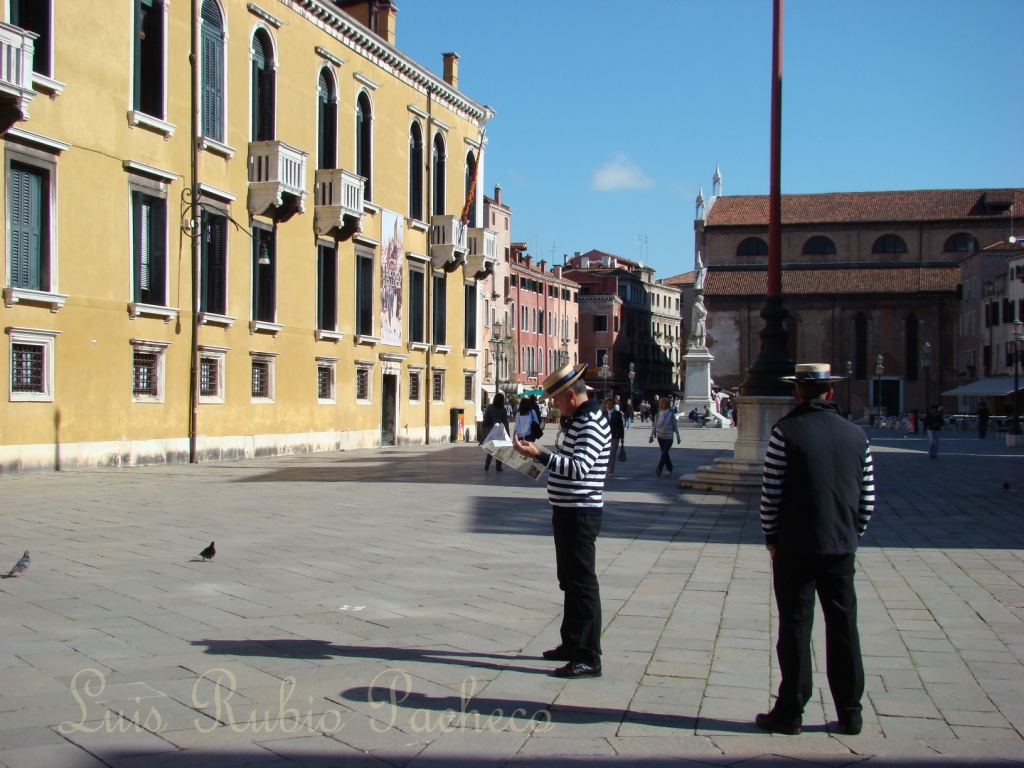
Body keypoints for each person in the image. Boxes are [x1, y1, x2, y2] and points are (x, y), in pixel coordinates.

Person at [758, 363, 875, 737]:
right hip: (840, 547)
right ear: (829, 393)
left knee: (794, 627)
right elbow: (867, 499)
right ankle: (851, 713)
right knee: (844, 628)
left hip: (794, 546)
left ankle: (791, 711)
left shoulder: (785, 432)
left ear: (797, 393)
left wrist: (771, 540)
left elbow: (771, 496)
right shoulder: (857, 436)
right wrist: (850, 535)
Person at [511, 363, 610, 679]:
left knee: (582, 584)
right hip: (567, 510)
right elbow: (567, 461)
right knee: (569, 581)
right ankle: (571, 644)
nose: (553, 405)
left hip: (581, 513)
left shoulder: (591, 423)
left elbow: (578, 467)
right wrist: (536, 454)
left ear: (571, 395)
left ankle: (588, 655)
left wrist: (540, 454)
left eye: (556, 399)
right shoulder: (576, 421)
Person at [649, 397, 681, 476]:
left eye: (666, 404)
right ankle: (669, 467)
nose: (664, 405)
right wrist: (651, 436)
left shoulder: (671, 415)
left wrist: (678, 436)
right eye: (663, 404)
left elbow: (675, 426)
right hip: (660, 436)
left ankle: (659, 468)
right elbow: (655, 425)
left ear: (668, 405)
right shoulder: (658, 414)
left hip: (669, 437)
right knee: (665, 453)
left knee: (664, 453)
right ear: (661, 405)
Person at [480, 393, 509, 471]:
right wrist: (507, 434)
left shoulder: (490, 407)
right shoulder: (503, 410)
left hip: (491, 431)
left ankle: (487, 464)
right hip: (500, 432)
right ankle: (498, 466)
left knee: (491, 449)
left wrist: (485, 426)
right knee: (499, 450)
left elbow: (486, 420)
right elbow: (505, 422)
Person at [603, 396, 625, 476]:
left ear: (613, 404)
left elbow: (621, 426)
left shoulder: (617, 414)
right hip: (604, 436)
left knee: (612, 453)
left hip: (614, 436)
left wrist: (622, 437)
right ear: (606, 404)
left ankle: (610, 470)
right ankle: (606, 468)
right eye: (608, 403)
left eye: (611, 404)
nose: (609, 405)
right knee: (605, 453)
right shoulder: (603, 413)